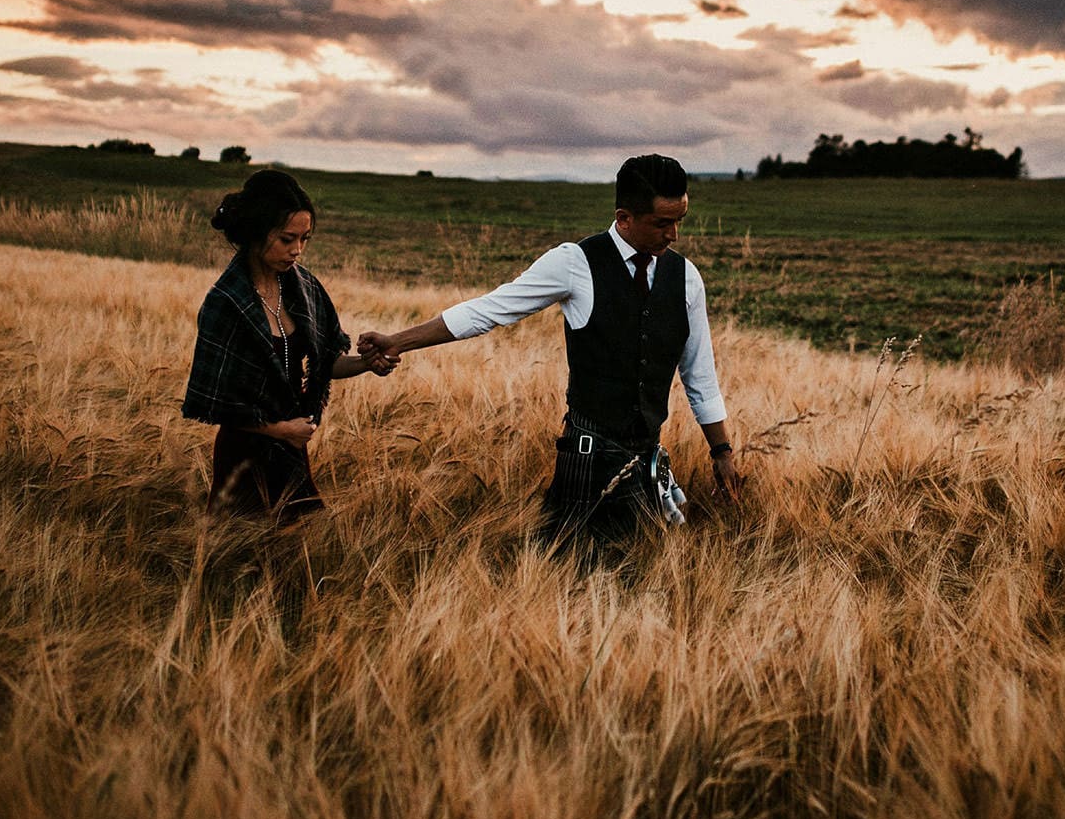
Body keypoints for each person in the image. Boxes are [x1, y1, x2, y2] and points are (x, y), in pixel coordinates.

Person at [358, 153, 741, 555]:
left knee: (636, 578)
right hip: (585, 458)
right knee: (564, 566)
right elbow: (488, 310)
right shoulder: (575, 263)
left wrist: (722, 452)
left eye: (680, 220)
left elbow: (700, 375)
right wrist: (398, 341)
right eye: (663, 223)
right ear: (624, 218)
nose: (674, 234)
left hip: (646, 461)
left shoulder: (686, 279)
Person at [183, 169, 395, 522]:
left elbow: (325, 360)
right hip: (243, 456)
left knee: (298, 552)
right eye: (286, 239)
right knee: (237, 556)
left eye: (305, 239)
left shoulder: (305, 289)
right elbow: (214, 403)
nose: (297, 250)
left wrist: (366, 362)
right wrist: (281, 430)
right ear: (256, 233)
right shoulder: (226, 302)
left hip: (291, 451)